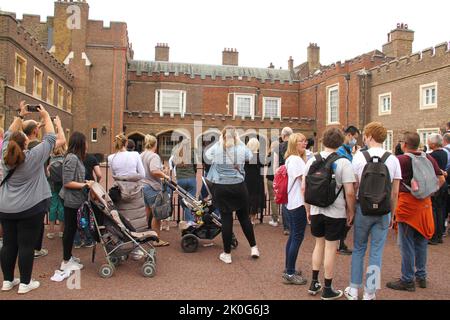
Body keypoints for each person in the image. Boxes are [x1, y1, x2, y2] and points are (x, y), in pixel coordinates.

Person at [0, 102, 57, 294]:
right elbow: (50, 138)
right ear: (26, 143)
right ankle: (25, 283)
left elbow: (8, 134)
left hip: (6, 207)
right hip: (30, 208)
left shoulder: (4, 154)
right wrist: (46, 116)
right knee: (26, 245)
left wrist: (20, 115)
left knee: (8, 244)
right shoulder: (33, 156)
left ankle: (7, 281)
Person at [344, 122, 401, 301]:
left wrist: (351, 211)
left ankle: (353, 289)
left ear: (369, 136)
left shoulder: (359, 158)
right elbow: (395, 191)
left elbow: (352, 189)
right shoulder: (393, 159)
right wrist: (392, 213)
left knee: (359, 248)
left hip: (363, 208)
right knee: (376, 251)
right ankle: (370, 292)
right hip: (383, 210)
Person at [386, 132, 445, 292]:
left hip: (407, 206)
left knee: (406, 244)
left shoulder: (401, 160)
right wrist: (429, 192)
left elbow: (390, 181)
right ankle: (421, 276)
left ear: (404, 144)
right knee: (421, 242)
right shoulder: (428, 158)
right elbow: (441, 179)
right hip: (424, 205)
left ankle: (407, 280)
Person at [303, 128, 357, 300]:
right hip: (336, 211)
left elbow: (304, 188)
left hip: (316, 209)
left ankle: (313, 282)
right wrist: (351, 211)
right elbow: (349, 192)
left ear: (323, 141)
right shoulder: (344, 162)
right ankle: (327, 288)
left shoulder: (312, 160)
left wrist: (308, 209)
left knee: (318, 245)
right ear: (340, 142)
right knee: (331, 248)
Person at [205, 126, 259, 264]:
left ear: (222, 136)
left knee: (226, 220)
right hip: (239, 186)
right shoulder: (240, 148)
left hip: (222, 187)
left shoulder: (217, 148)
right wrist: (239, 141)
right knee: (244, 219)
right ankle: (254, 248)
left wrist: (219, 142)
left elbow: (207, 156)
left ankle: (227, 254)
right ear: (235, 136)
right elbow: (250, 155)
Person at [59, 132, 93, 272]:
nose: (87, 144)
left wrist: (84, 182)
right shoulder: (72, 158)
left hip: (75, 199)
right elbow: (67, 182)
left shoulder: (76, 158)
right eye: (85, 142)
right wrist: (84, 185)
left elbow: (75, 178)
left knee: (72, 229)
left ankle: (68, 256)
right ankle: (66, 261)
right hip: (70, 199)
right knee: (70, 229)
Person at [281, 133, 309, 285]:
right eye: (301, 141)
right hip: (298, 203)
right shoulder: (297, 160)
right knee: (297, 237)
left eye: (305, 141)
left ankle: (289, 268)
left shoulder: (290, 159)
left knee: (293, 236)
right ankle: (290, 273)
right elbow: (304, 183)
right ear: (294, 143)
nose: (305, 143)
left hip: (290, 202)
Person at [23, 120, 49, 259]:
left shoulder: (17, 148)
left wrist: (34, 127)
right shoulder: (39, 147)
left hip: (22, 190)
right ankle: (35, 248)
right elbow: (59, 140)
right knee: (38, 220)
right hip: (38, 187)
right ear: (35, 132)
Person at [141, 135, 171, 247]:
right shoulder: (154, 156)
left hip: (142, 186)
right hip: (152, 187)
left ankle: (143, 235)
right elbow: (154, 171)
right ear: (155, 144)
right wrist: (165, 175)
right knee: (156, 214)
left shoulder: (141, 155)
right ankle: (156, 239)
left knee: (146, 212)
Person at [336, 125, 360, 256]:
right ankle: (339, 243)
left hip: (347, 186)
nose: (355, 141)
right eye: (354, 138)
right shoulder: (341, 151)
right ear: (349, 135)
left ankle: (341, 242)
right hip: (343, 187)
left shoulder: (347, 150)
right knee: (345, 217)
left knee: (347, 217)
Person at [428, 134, 448, 245]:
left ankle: (434, 235)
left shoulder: (432, 156)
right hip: (443, 184)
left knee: (434, 210)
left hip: (436, 183)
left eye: (429, 142)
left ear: (433, 144)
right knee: (441, 210)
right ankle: (439, 235)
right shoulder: (445, 153)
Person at [171, 138, 197, 223]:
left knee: (182, 201)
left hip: (181, 180)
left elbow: (173, 165)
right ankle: (190, 221)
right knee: (191, 201)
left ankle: (188, 219)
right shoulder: (192, 153)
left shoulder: (176, 153)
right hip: (191, 178)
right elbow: (195, 165)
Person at [47, 143, 67, 240]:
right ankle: (61, 231)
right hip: (63, 186)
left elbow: (47, 174)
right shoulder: (65, 159)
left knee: (53, 207)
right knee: (62, 207)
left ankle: (51, 232)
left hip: (52, 186)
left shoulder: (50, 159)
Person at [245, 138, 265, 225]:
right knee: (255, 198)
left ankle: (246, 217)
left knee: (247, 198)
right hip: (257, 180)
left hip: (247, 179)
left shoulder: (246, 156)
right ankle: (252, 218)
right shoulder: (259, 156)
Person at [279, 127, 294, 236]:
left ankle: (287, 227)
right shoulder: (294, 146)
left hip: (283, 175)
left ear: (283, 136)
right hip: (293, 174)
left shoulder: (279, 147)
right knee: (294, 198)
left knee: (285, 201)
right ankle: (294, 224)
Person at [266, 140, 280, 227]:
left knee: (273, 199)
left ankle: (275, 219)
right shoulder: (280, 154)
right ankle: (277, 216)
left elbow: (266, 163)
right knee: (278, 199)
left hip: (271, 178)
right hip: (279, 179)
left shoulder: (270, 154)